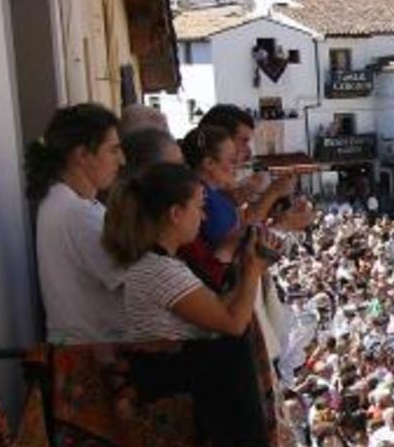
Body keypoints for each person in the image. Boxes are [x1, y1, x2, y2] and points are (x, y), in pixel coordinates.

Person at [101, 162, 267, 339]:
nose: (204, 217)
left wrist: (249, 269)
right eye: (200, 207)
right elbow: (234, 324)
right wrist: (253, 270)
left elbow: (219, 306)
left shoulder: (160, 261)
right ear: (175, 214)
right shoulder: (161, 271)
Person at [26, 102, 126, 342]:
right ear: (82, 155)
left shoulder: (61, 201)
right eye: (113, 150)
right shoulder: (77, 213)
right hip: (93, 352)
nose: (121, 160)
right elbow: (140, 285)